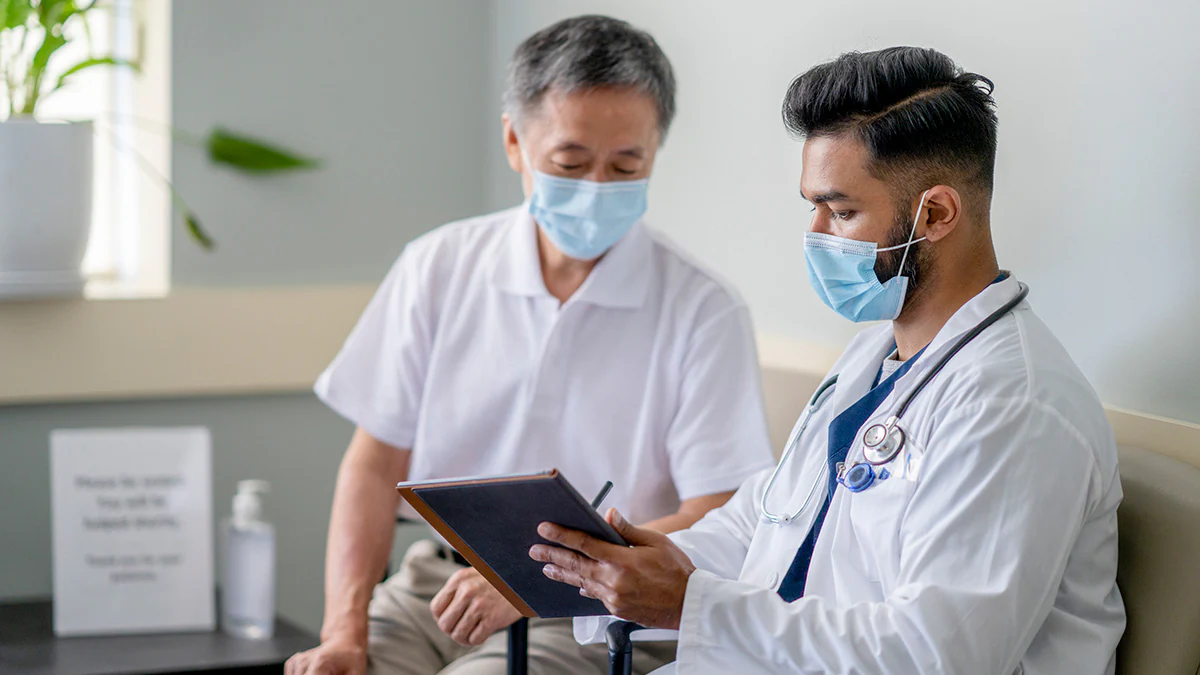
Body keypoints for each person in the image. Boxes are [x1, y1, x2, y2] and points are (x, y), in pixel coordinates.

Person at [530, 46, 1126, 674]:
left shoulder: (1014, 406)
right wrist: (633, 565)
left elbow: (938, 656)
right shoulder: (875, 356)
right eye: (812, 206)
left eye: (841, 211)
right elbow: (770, 520)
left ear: (940, 213)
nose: (816, 233)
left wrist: (692, 604)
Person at [284, 15, 776, 675]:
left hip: (594, 615)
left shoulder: (701, 309)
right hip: (437, 587)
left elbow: (718, 511)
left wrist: (534, 578)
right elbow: (373, 468)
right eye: (570, 163)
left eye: (626, 165)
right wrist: (344, 632)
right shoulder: (438, 267)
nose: (598, 188)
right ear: (515, 141)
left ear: (655, 152)